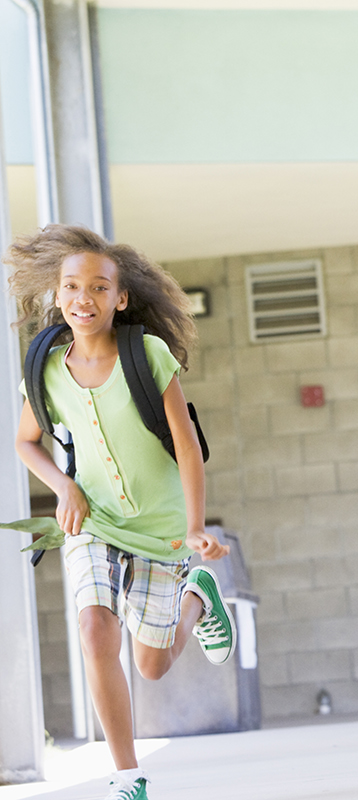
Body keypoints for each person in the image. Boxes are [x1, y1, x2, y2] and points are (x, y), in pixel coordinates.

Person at [7, 225, 234, 800]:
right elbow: (26, 442)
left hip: (162, 531)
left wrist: (194, 529)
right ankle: (129, 776)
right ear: (57, 297)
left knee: (152, 666)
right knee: (93, 627)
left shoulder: (146, 354)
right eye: (73, 287)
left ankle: (197, 597)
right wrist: (63, 487)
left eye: (100, 288)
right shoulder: (47, 369)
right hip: (96, 524)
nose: (85, 298)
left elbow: (186, 443)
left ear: (120, 298)